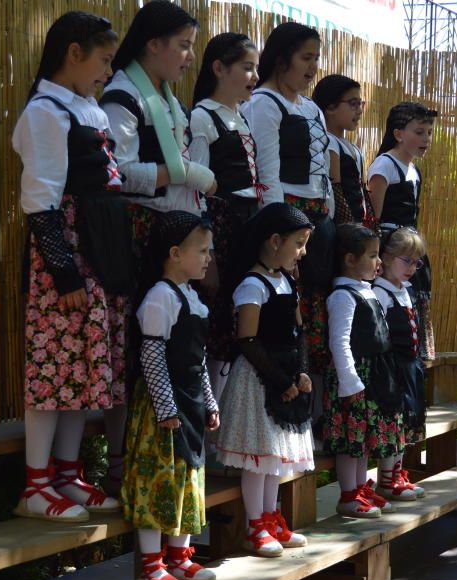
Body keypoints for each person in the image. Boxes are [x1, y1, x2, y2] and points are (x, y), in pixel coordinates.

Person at [11, 11, 125, 522]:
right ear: (73, 53)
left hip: (94, 248)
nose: (107, 71)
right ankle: (36, 486)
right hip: (66, 251)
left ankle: (66, 473)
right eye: (102, 60)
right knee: (51, 367)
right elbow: (40, 201)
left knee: (82, 366)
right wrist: (64, 272)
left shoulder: (84, 107)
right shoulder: (45, 113)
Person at [101, 0, 214, 491]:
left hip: (172, 229)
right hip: (140, 233)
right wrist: (179, 173)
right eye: (184, 45)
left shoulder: (167, 98)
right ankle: (122, 461)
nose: (189, 57)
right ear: (153, 44)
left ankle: (168, 449)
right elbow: (118, 173)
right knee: (137, 345)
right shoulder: (123, 96)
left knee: (177, 344)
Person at [123, 211, 220, 580]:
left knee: (187, 479)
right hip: (165, 411)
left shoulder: (193, 299)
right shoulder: (160, 297)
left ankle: (180, 556)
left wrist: (209, 402)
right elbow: (152, 356)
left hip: (190, 404)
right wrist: (165, 408)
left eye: (209, 250)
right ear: (175, 253)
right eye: (202, 250)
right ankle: (150, 566)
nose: (208, 258)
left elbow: (198, 362)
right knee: (158, 481)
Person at [213, 204, 316, 557]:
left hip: (285, 377)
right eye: (299, 244)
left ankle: (272, 518)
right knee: (259, 458)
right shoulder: (251, 285)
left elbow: (299, 331)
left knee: (278, 457)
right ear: (275, 240)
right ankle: (254, 525)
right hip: (259, 380)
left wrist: (301, 371)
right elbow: (248, 340)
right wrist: (278, 380)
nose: (302, 252)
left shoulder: (286, 279)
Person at [244, 22, 334, 375]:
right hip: (287, 215)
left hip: (316, 219)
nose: (312, 67)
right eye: (306, 58)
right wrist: (282, 230)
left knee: (317, 314)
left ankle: (311, 412)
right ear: (282, 59)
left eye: (316, 58)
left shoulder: (311, 108)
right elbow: (267, 172)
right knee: (288, 312)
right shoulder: (263, 104)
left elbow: (323, 168)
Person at [188, 32, 262, 402]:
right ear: (219, 68)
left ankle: (227, 419)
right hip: (221, 225)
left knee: (239, 322)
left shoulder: (240, 117)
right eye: (247, 68)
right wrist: (209, 254)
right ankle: (208, 421)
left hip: (247, 226)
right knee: (216, 324)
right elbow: (196, 189)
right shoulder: (202, 116)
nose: (254, 77)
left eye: (256, 69)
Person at [323, 225, 405, 518]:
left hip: (374, 376)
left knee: (364, 440)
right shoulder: (343, 296)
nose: (379, 262)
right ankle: (348, 495)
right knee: (350, 440)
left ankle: (361, 488)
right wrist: (350, 382)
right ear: (349, 259)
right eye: (372, 256)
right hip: (355, 378)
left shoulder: (366, 291)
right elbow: (339, 340)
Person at [367, 102, 439, 359]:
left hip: (410, 249)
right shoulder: (385, 165)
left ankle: (415, 358)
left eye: (429, 132)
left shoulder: (415, 171)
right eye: (419, 132)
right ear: (398, 134)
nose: (426, 139)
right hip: (390, 250)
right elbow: (372, 218)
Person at [371, 225, 428, 501]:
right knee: (393, 423)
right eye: (405, 260)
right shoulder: (380, 293)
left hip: (409, 367)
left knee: (406, 424)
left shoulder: (405, 289)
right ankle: (385, 480)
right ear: (387, 255)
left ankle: (397, 473)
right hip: (393, 367)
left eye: (416, 262)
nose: (411, 268)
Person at [312, 74, 370, 227]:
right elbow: (336, 193)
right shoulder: (328, 142)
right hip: (343, 228)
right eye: (353, 104)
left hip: (358, 225)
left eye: (360, 104)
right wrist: (349, 229)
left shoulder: (352, 147)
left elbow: (361, 191)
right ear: (330, 107)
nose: (359, 111)